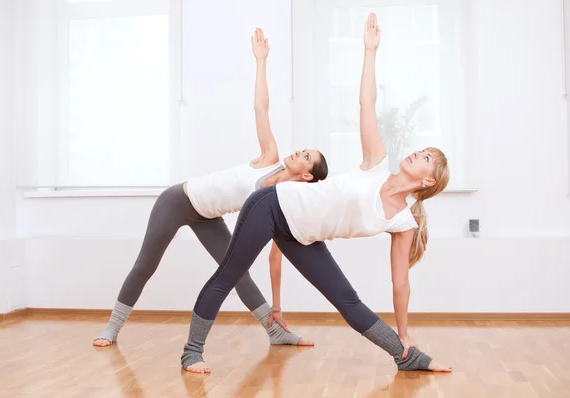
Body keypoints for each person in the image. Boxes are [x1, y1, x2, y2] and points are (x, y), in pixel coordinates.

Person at [180, 13, 452, 374]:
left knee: (347, 300)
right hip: (273, 206)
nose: (419, 152)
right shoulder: (376, 163)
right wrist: (370, 52)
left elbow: (400, 283)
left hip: (304, 235)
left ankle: (406, 357)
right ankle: (192, 352)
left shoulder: (403, 223)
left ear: (427, 182)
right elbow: (366, 105)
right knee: (230, 274)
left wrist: (404, 333)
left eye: (427, 157)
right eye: (423, 149)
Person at [93, 28, 328, 348]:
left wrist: (277, 306)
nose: (299, 151)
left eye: (305, 156)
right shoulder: (269, 158)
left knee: (238, 272)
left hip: (208, 217)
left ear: (306, 176)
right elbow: (261, 109)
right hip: (178, 200)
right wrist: (261, 62)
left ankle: (275, 331)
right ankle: (112, 328)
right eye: (303, 149)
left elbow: (277, 256)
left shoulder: (282, 199)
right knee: (146, 264)